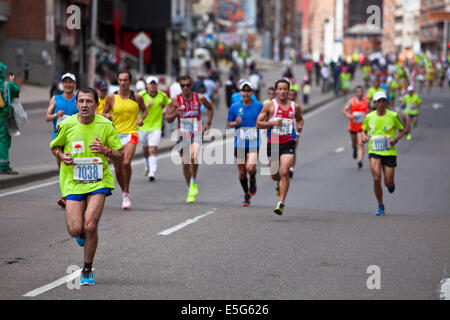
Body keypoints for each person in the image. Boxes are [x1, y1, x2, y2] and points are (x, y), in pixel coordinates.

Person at [50, 87, 124, 285]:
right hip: (73, 182)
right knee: (75, 230)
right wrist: (60, 155)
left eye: (89, 101)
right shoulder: (66, 125)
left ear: (96, 104)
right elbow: (55, 146)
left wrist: (105, 150)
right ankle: (82, 230)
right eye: (81, 101)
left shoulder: (106, 125)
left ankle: (87, 270)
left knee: (91, 225)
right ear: (76, 104)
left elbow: (120, 155)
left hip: (98, 181)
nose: (84, 105)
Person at [256, 79, 304, 215]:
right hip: (274, 142)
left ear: (289, 91)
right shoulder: (270, 106)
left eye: (285, 89)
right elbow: (258, 124)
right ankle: (278, 184)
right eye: (280, 89)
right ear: (276, 91)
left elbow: (300, 119)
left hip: (289, 142)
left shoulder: (295, 107)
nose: (283, 92)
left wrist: (300, 125)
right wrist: (273, 123)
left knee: (284, 172)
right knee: (274, 174)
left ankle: (281, 203)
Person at [102, 71, 148, 210]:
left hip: (131, 133)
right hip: (115, 135)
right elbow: (104, 112)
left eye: (125, 80)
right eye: (120, 80)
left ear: (130, 81)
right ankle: (124, 192)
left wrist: (141, 119)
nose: (123, 83)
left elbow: (144, 110)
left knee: (126, 162)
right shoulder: (111, 97)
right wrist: (108, 116)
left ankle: (127, 192)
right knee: (117, 167)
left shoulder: (137, 97)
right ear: (118, 81)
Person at [166, 75, 214, 203]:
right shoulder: (176, 100)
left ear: (192, 86)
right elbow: (168, 118)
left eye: (188, 85)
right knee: (185, 163)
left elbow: (211, 108)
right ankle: (190, 187)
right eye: (182, 85)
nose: (185, 88)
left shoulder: (200, 98)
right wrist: (176, 113)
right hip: (182, 133)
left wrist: (208, 123)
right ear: (180, 87)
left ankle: (194, 179)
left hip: (196, 132)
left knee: (192, 157)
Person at [362, 91, 404, 216]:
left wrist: (395, 139)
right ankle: (380, 205)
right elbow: (363, 130)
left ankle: (391, 185)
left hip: (389, 152)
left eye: (383, 101)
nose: (381, 103)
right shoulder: (369, 116)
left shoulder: (393, 115)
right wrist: (364, 137)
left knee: (388, 182)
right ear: (374, 103)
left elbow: (401, 131)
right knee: (376, 178)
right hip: (374, 151)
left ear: (387, 102)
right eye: (378, 101)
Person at [227, 81, 263, 206]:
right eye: (244, 91)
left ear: (252, 92)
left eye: (248, 91)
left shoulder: (259, 106)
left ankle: (252, 178)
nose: (246, 93)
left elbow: (266, 119)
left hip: (254, 142)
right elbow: (228, 123)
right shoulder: (235, 107)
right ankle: (246, 194)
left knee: (250, 167)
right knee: (242, 172)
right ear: (240, 92)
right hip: (240, 143)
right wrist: (235, 123)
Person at [46, 73, 79, 209]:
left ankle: (70, 195)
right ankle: (66, 195)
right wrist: (55, 115)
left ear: (74, 84)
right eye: (65, 82)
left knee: (73, 166)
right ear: (62, 84)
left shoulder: (78, 99)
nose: (68, 85)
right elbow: (47, 117)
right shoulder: (56, 98)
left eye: (70, 82)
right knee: (62, 168)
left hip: (75, 137)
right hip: (58, 137)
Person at [138, 76, 171, 181]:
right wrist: (145, 106)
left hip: (156, 126)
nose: (152, 86)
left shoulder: (162, 95)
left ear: (156, 85)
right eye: (150, 84)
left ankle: (152, 172)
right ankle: (147, 166)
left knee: (152, 149)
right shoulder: (141, 95)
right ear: (147, 85)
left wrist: (165, 109)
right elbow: (134, 108)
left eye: (154, 84)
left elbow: (168, 103)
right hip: (143, 126)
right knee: (145, 150)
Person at [0, 64, 20, 175]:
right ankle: (3, 166)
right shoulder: (7, 84)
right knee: (4, 140)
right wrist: (12, 81)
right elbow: (16, 91)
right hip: (3, 116)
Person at [342, 86, 369, 169]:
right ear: (356, 93)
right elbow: (344, 110)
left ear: (363, 92)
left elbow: (370, 111)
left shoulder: (366, 101)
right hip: (353, 126)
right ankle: (354, 149)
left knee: (360, 143)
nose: (359, 93)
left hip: (362, 126)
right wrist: (350, 116)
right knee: (354, 144)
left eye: (361, 91)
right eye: (358, 92)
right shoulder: (352, 101)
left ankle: (359, 160)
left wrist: (367, 116)